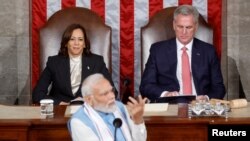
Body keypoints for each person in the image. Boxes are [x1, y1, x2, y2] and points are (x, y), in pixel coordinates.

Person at [139, 5, 226, 103]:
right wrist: (165, 94)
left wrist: (206, 98)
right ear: (174, 25)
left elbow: (219, 88)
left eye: (188, 27)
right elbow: (145, 86)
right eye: (180, 27)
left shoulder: (209, 51)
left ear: (196, 27)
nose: (184, 32)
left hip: (199, 108)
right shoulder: (158, 50)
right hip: (170, 107)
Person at [32, 24, 115, 105]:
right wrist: (60, 103)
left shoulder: (97, 62)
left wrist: (92, 101)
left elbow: (111, 91)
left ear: (84, 44)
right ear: (66, 43)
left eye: (80, 39)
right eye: (72, 39)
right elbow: (37, 94)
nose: (76, 43)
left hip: (88, 110)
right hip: (60, 112)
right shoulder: (54, 62)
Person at [68, 73, 147, 141]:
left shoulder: (119, 106)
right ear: (89, 99)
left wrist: (138, 120)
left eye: (111, 90)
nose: (112, 96)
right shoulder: (79, 121)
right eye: (105, 93)